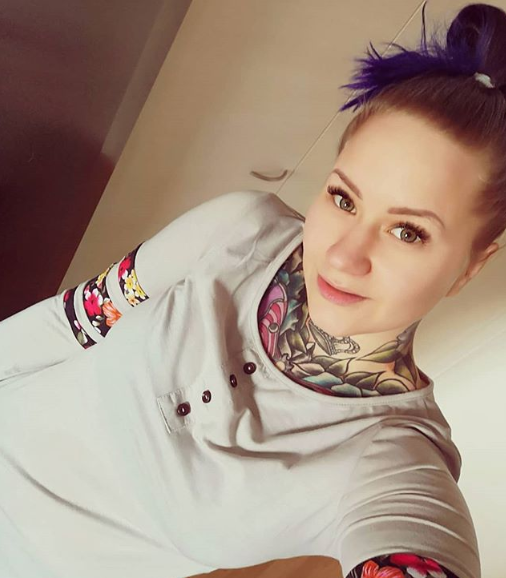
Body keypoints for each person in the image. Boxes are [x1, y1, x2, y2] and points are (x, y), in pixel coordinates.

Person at [1, 2, 504, 577]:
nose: (343, 255)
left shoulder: (391, 457)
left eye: (407, 231)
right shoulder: (237, 229)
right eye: (343, 199)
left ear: (470, 267)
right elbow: (74, 321)